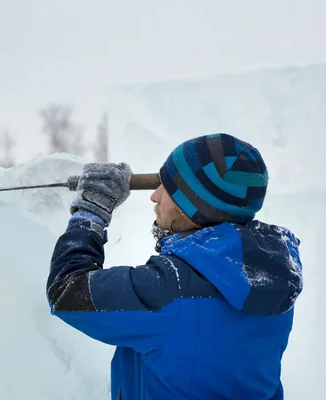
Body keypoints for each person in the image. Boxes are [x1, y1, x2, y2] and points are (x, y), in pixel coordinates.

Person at [46, 133, 303, 400]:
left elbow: (66, 292)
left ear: (190, 206)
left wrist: (91, 213)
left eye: (167, 187)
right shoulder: (275, 276)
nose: (154, 197)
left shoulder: (171, 289)